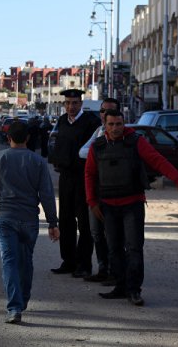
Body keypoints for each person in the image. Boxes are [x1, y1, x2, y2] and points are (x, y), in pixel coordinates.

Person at [86, 110, 178, 306]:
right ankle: (120, 286)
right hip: (108, 206)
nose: (115, 128)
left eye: (119, 124)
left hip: (132, 204)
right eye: (111, 124)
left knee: (134, 248)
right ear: (105, 124)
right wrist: (92, 202)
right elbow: (90, 175)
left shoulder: (136, 142)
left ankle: (134, 290)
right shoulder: (98, 147)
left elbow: (158, 160)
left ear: (124, 123)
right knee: (114, 249)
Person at [0, 121, 59, 324]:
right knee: (26, 260)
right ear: (28, 138)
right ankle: (22, 300)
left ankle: (14, 307)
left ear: (8, 138)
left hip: (6, 217)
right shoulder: (38, 161)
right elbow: (47, 194)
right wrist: (52, 222)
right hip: (29, 219)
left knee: (9, 261)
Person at [47, 89, 101, 278]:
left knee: (84, 222)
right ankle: (68, 261)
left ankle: (84, 264)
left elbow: (91, 150)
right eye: (68, 103)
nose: (71, 106)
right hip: (66, 177)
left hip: (83, 178)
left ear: (81, 103)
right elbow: (55, 145)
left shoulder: (91, 122)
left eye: (75, 103)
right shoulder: (62, 121)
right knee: (66, 219)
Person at [77, 98, 120, 285]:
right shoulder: (99, 132)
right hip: (96, 192)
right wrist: (97, 150)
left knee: (114, 235)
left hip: (115, 193)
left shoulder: (124, 136)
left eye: (110, 111)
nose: (105, 115)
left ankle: (116, 272)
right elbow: (82, 152)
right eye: (103, 111)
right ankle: (103, 269)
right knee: (96, 233)